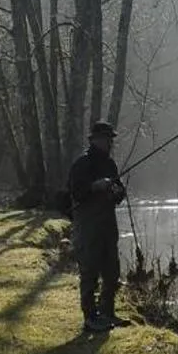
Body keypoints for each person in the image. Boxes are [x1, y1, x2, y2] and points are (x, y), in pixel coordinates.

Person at [66, 120, 126, 333]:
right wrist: (96, 186)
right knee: (89, 270)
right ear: (95, 140)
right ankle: (90, 317)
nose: (110, 143)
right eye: (107, 139)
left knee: (112, 270)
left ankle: (107, 312)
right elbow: (76, 193)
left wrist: (117, 191)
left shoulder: (110, 164)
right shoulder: (82, 164)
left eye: (111, 139)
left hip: (108, 225)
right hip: (88, 225)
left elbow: (120, 193)